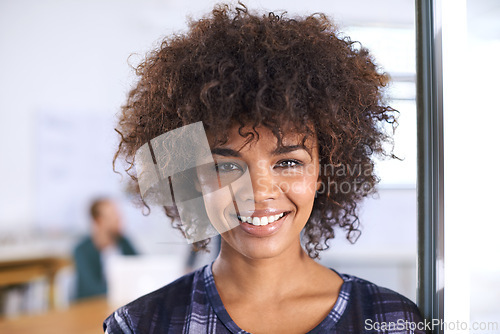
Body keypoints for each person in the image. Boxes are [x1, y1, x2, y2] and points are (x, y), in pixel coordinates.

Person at [104, 3, 424, 333]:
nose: (258, 191)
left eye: (288, 163)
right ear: (193, 178)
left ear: (323, 172)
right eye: (226, 165)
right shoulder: (142, 325)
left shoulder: (391, 320)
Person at [74, 198, 137, 300]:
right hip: (93, 308)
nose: (119, 219)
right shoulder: (82, 250)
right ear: (99, 220)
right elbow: (90, 289)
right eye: (113, 215)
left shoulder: (124, 243)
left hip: (122, 304)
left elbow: (142, 266)